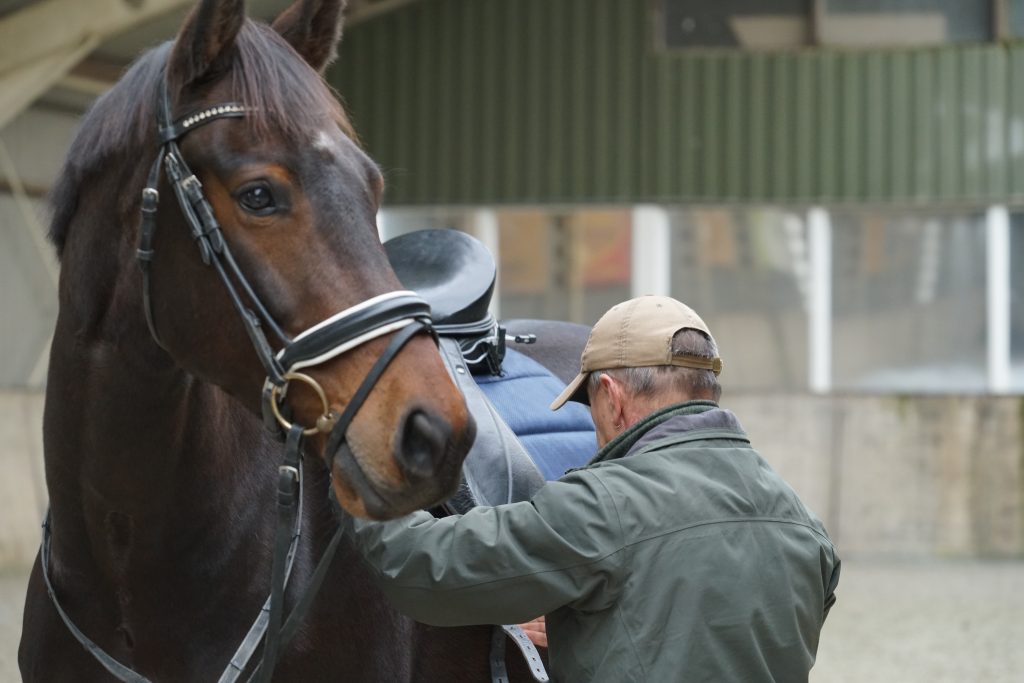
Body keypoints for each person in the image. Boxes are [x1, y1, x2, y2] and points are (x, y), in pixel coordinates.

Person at [341, 295, 840, 681]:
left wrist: (358, 452)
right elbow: (726, 630)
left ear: (610, 397)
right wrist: (593, 634)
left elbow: (416, 562)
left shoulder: (601, 506)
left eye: (589, 407)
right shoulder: (800, 520)